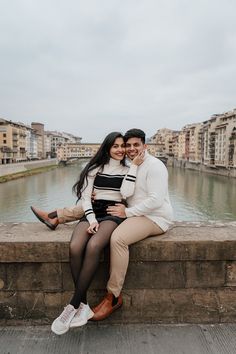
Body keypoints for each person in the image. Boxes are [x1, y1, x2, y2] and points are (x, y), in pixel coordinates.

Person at [31, 128, 173, 322]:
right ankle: (54, 216)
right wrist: (101, 195)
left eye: (134, 145)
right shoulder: (133, 163)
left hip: (154, 216)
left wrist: (126, 211)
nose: (129, 149)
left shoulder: (154, 166)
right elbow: (122, 191)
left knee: (118, 238)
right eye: (127, 145)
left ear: (144, 146)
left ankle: (113, 297)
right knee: (99, 201)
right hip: (132, 209)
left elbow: (155, 201)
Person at [49, 131, 143, 335]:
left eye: (122, 146)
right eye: (115, 146)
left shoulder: (129, 169)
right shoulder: (94, 168)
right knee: (74, 247)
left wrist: (134, 167)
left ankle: (71, 306)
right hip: (93, 211)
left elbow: (128, 195)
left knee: (93, 246)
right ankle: (82, 305)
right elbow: (85, 198)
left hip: (113, 214)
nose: (120, 150)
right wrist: (91, 220)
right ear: (108, 148)